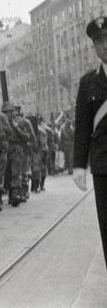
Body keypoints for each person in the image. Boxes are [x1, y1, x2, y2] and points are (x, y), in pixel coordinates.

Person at [72, 16, 107, 269]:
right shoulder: (88, 83)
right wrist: (78, 166)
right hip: (103, 167)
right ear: (94, 46)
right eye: (99, 41)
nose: (104, 45)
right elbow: (83, 128)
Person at [1, 101, 31, 207]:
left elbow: (27, 137)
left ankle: (16, 193)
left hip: (16, 149)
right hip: (4, 149)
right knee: (7, 174)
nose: (8, 114)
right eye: (6, 112)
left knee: (16, 172)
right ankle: (11, 194)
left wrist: (17, 128)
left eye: (10, 112)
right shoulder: (0, 122)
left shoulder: (20, 122)